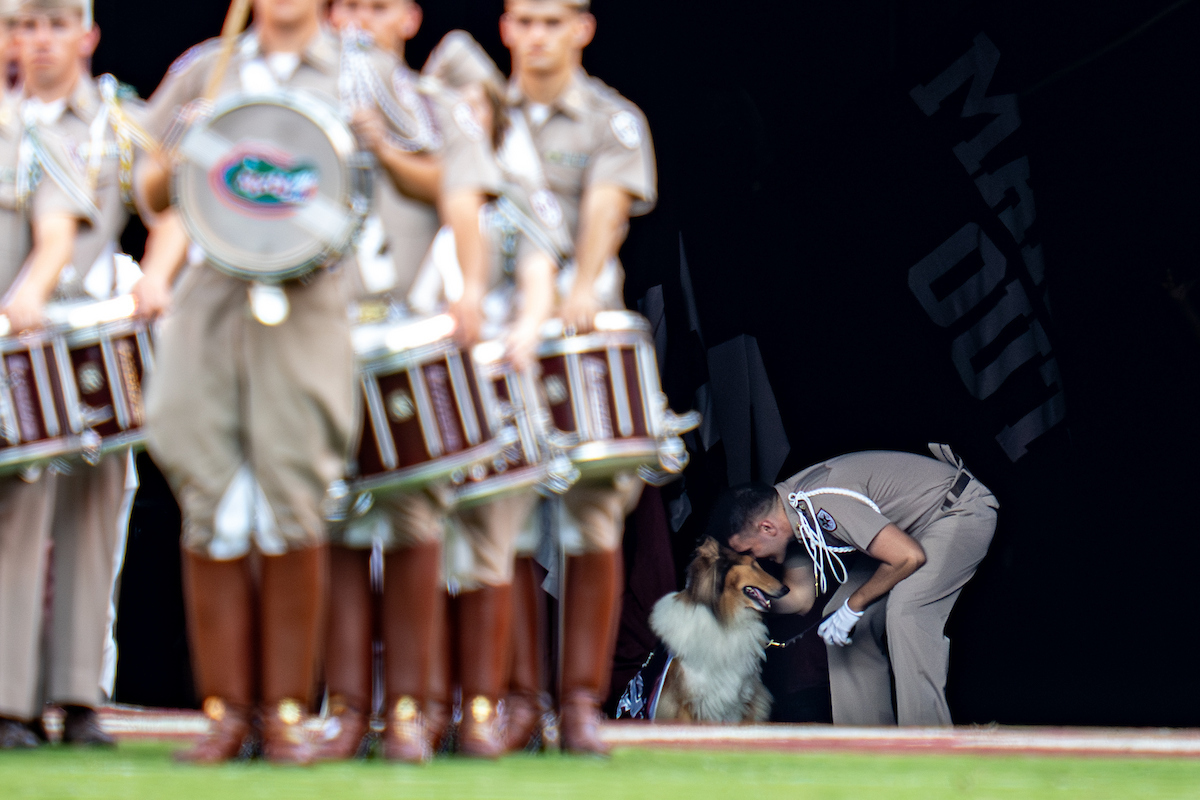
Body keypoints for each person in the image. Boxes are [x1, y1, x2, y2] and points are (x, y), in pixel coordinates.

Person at [133, 0, 413, 764]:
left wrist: (379, 144)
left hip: (314, 299)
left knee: (295, 496)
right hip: (211, 299)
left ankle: (286, 712)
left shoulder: (364, 69)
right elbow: (150, 195)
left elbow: (437, 176)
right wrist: (178, 149)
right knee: (203, 485)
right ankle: (228, 713)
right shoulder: (206, 66)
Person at [318, 0, 503, 762]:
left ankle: (417, 709)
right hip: (325, 328)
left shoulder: (434, 104)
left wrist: (381, 144)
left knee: (420, 520)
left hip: (412, 333)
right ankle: (344, 707)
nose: (359, 21)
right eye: (348, 7)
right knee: (332, 521)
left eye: (376, 6)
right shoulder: (305, 94)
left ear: (407, 17)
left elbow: (460, 195)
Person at [498, 0, 657, 755]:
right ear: (506, 28)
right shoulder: (475, 117)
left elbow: (607, 213)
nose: (538, 36)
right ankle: (522, 700)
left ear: (582, 29)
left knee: (594, 520)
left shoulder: (611, 118)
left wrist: (579, 289)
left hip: (582, 335)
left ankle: (582, 703)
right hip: (499, 341)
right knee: (507, 524)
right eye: (524, 20)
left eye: (553, 21)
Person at [2, 0, 140, 746]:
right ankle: (11, 701)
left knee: (93, 514)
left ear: (85, 35)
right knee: (14, 518)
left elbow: (177, 190)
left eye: (53, 25)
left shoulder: (120, 119)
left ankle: (80, 695)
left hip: (91, 345)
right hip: (12, 345)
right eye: (20, 26)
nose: (37, 41)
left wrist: (162, 275)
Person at [710, 447, 999, 726]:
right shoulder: (789, 519)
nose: (753, 561)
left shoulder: (820, 502)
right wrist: (747, 604)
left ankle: (928, 746)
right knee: (839, 619)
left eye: (749, 551)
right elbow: (800, 599)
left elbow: (909, 557)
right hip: (905, 534)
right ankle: (868, 746)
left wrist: (855, 605)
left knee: (906, 613)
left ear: (766, 528)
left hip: (954, 510)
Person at [0, 0, 54, 750]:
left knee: (16, 524)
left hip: (11, 338)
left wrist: (24, 302)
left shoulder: (30, 133)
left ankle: (12, 701)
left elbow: (55, 233)